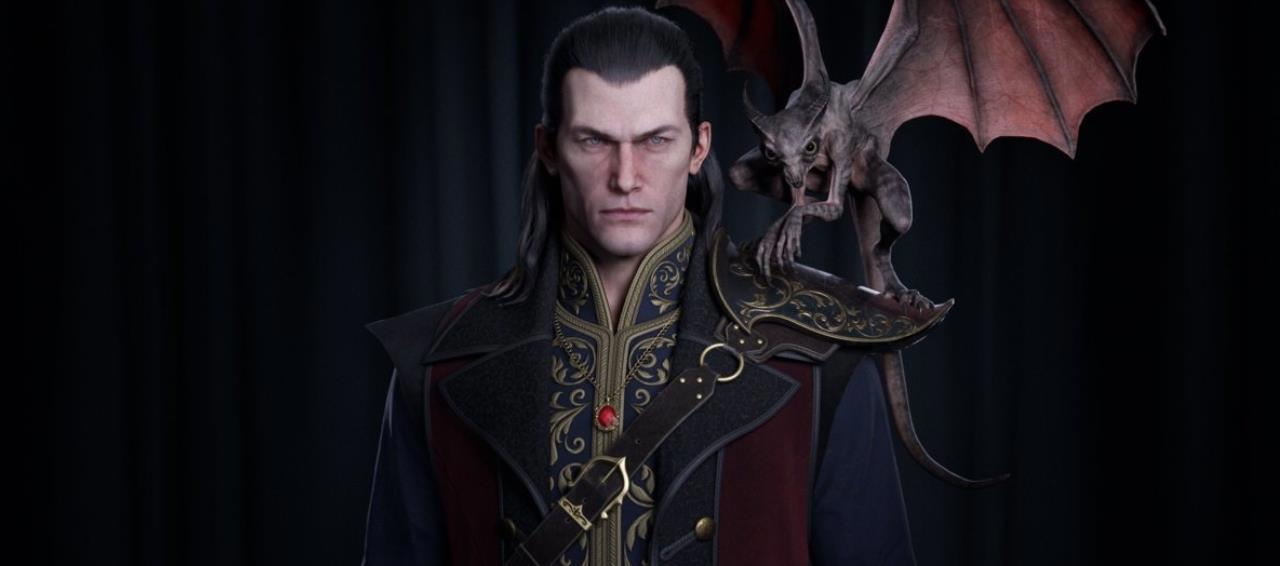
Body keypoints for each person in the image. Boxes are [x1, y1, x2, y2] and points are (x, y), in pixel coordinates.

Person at [361, 6, 920, 565]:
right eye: (593, 141)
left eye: (654, 141)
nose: (625, 177)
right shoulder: (438, 362)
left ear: (698, 148)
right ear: (549, 148)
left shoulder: (819, 358)